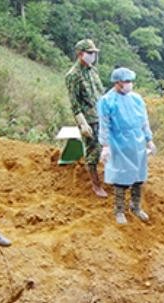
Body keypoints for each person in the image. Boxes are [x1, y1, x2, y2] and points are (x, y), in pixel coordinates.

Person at [98, 67, 156, 225]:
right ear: (117, 83)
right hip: (119, 143)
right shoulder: (107, 101)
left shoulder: (136, 99)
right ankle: (119, 210)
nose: (130, 84)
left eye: (131, 81)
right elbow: (104, 125)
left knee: (139, 176)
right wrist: (105, 145)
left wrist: (149, 139)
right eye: (127, 81)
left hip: (137, 143)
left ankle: (136, 207)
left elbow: (144, 121)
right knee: (121, 178)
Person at [65, 39, 107, 198]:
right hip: (89, 119)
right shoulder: (72, 76)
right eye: (90, 53)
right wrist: (82, 124)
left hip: (102, 115)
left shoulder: (92, 71)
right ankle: (96, 185)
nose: (93, 56)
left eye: (94, 53)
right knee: (93, 150)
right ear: (80, 54)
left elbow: (100, 93)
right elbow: (74, 104)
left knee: (107, 146)